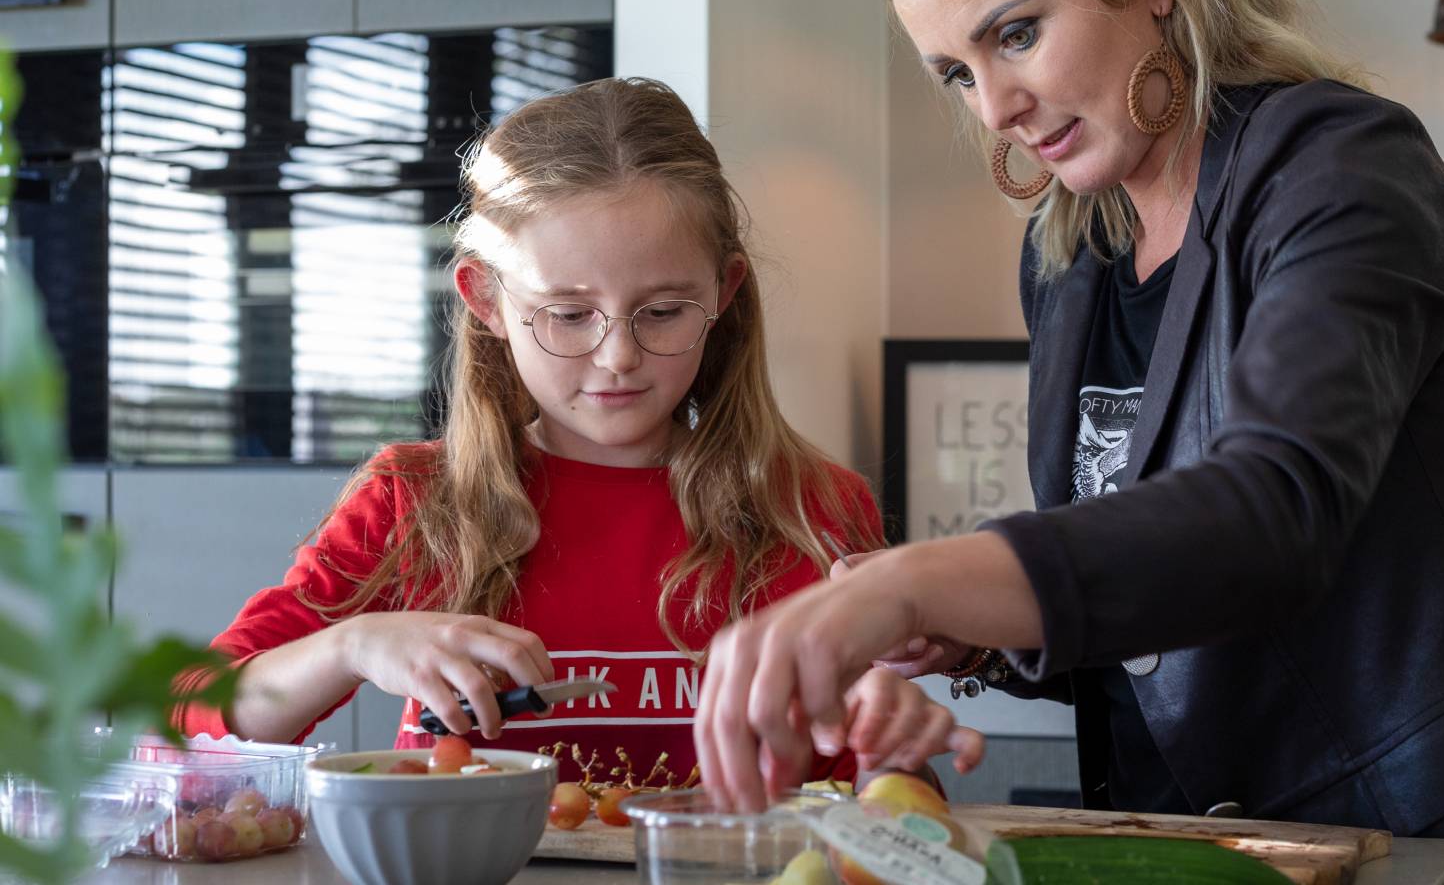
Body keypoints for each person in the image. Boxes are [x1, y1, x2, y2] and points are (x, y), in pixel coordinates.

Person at [692, 0, 1444, 842]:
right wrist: (969, 632)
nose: (994, 106)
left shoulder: (1340, 167)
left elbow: (1273, 511)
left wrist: (921, 581)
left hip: (1430, 831)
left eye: (1016, 33)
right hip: (1206, 843)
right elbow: (1150, 606)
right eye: (957, 72)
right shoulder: (1071, 257)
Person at [176, 77, 983, 786]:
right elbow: (185, 714)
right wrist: (350, 646)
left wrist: (890, 752)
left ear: (724, 291)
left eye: (662, 311)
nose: (618, 356)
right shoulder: (411, 501)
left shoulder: (810, 506)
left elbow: (877, 797)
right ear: (486, 301)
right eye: (568, 314)